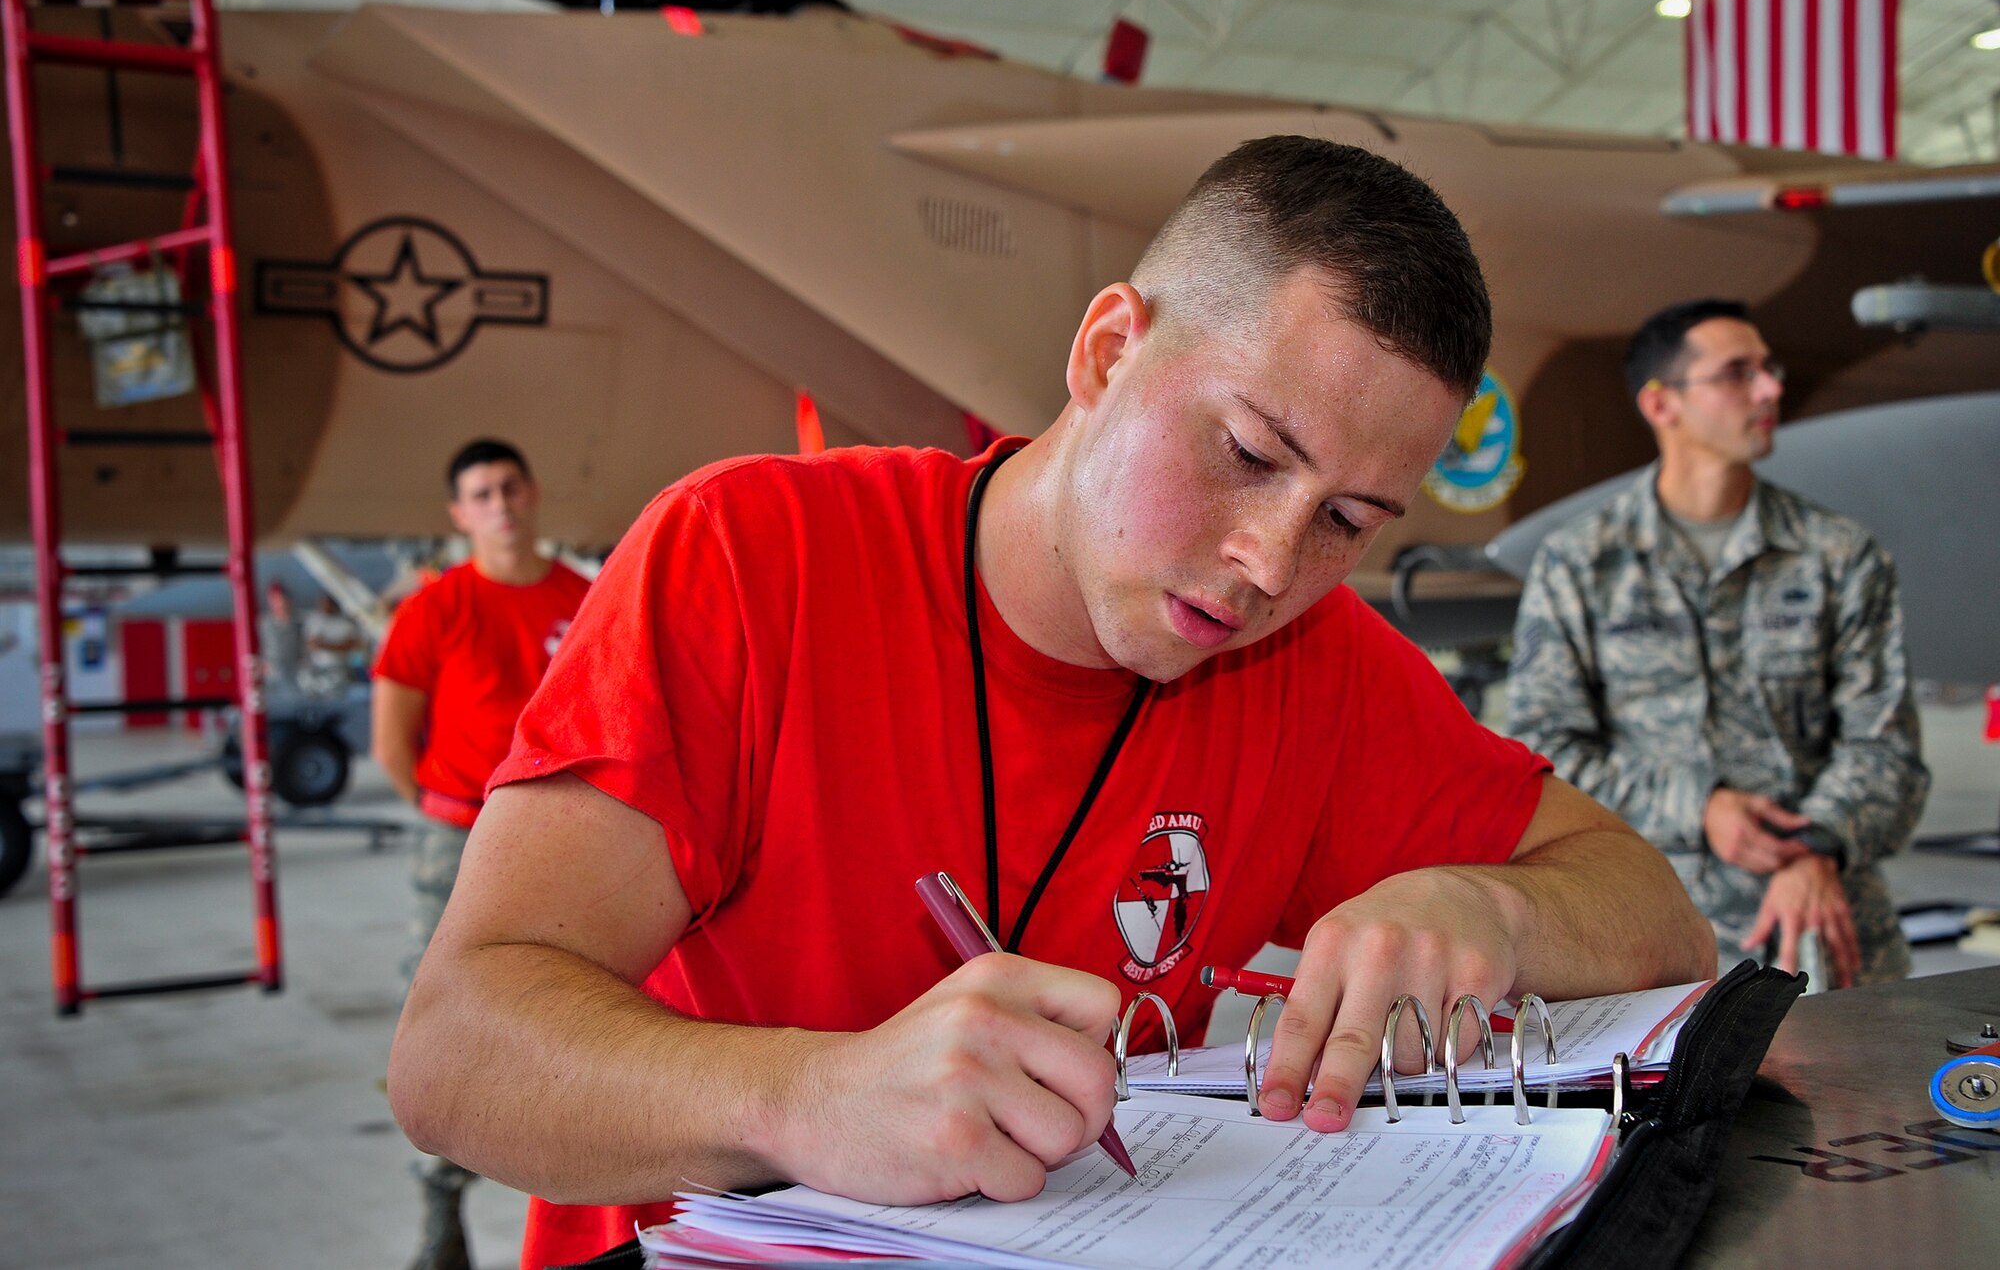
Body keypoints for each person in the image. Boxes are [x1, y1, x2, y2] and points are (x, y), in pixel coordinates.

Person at [388, 138, 1715, 1270]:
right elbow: (456, 1055)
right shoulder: (753, 559)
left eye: (1349, 520)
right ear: (1107, 349)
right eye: (1246, 453)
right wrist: (805, 1098)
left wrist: (1485, 906)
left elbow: (1654, 912)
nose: (1269, 562)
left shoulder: (1316, 666)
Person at [1507, 299, 1929, 991]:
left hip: (1820, 945)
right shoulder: (1581, 563)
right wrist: (1699, 808)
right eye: (1738, 373)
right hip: (1646, 948)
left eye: (1770, 369)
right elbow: (1543, 758)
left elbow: (1888, 751)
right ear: (1661, 404)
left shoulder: (1839, 556)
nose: (1770, 389)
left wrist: (1814, 846)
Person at [371, 438, 592, 1270]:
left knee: (578, 1015)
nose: (498, 502)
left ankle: (578, 1204)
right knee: (440, 1029)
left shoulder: (585, 598)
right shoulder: (433, 610)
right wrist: (452, 817)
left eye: (508, 486)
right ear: (459, 514)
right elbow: (392, 743)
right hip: (456, 839)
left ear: (532, 494)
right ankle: (439, 1206)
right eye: (479, 493)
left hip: (564, 840)